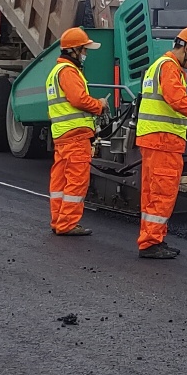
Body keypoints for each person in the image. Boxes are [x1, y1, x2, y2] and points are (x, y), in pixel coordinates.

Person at [135, 26, 187, 259]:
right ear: (186, 47)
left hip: (153, 139)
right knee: (162, 193)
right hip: (164, 141)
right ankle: (151, 243)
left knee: (152, 193)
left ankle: (152, 238)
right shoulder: (169, 68)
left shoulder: (157, 66)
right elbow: (177, 99)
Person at [45, 26, 106, 236]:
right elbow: (78, 99)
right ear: (74, 51)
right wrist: (99, 105)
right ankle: (68, 224)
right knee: (77, 180)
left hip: (62, 135)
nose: (85, 54)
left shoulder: (55, 72)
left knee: (60, 181)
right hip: (75, 136)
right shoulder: (69, 72)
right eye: (84, 50)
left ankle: (58, 220)